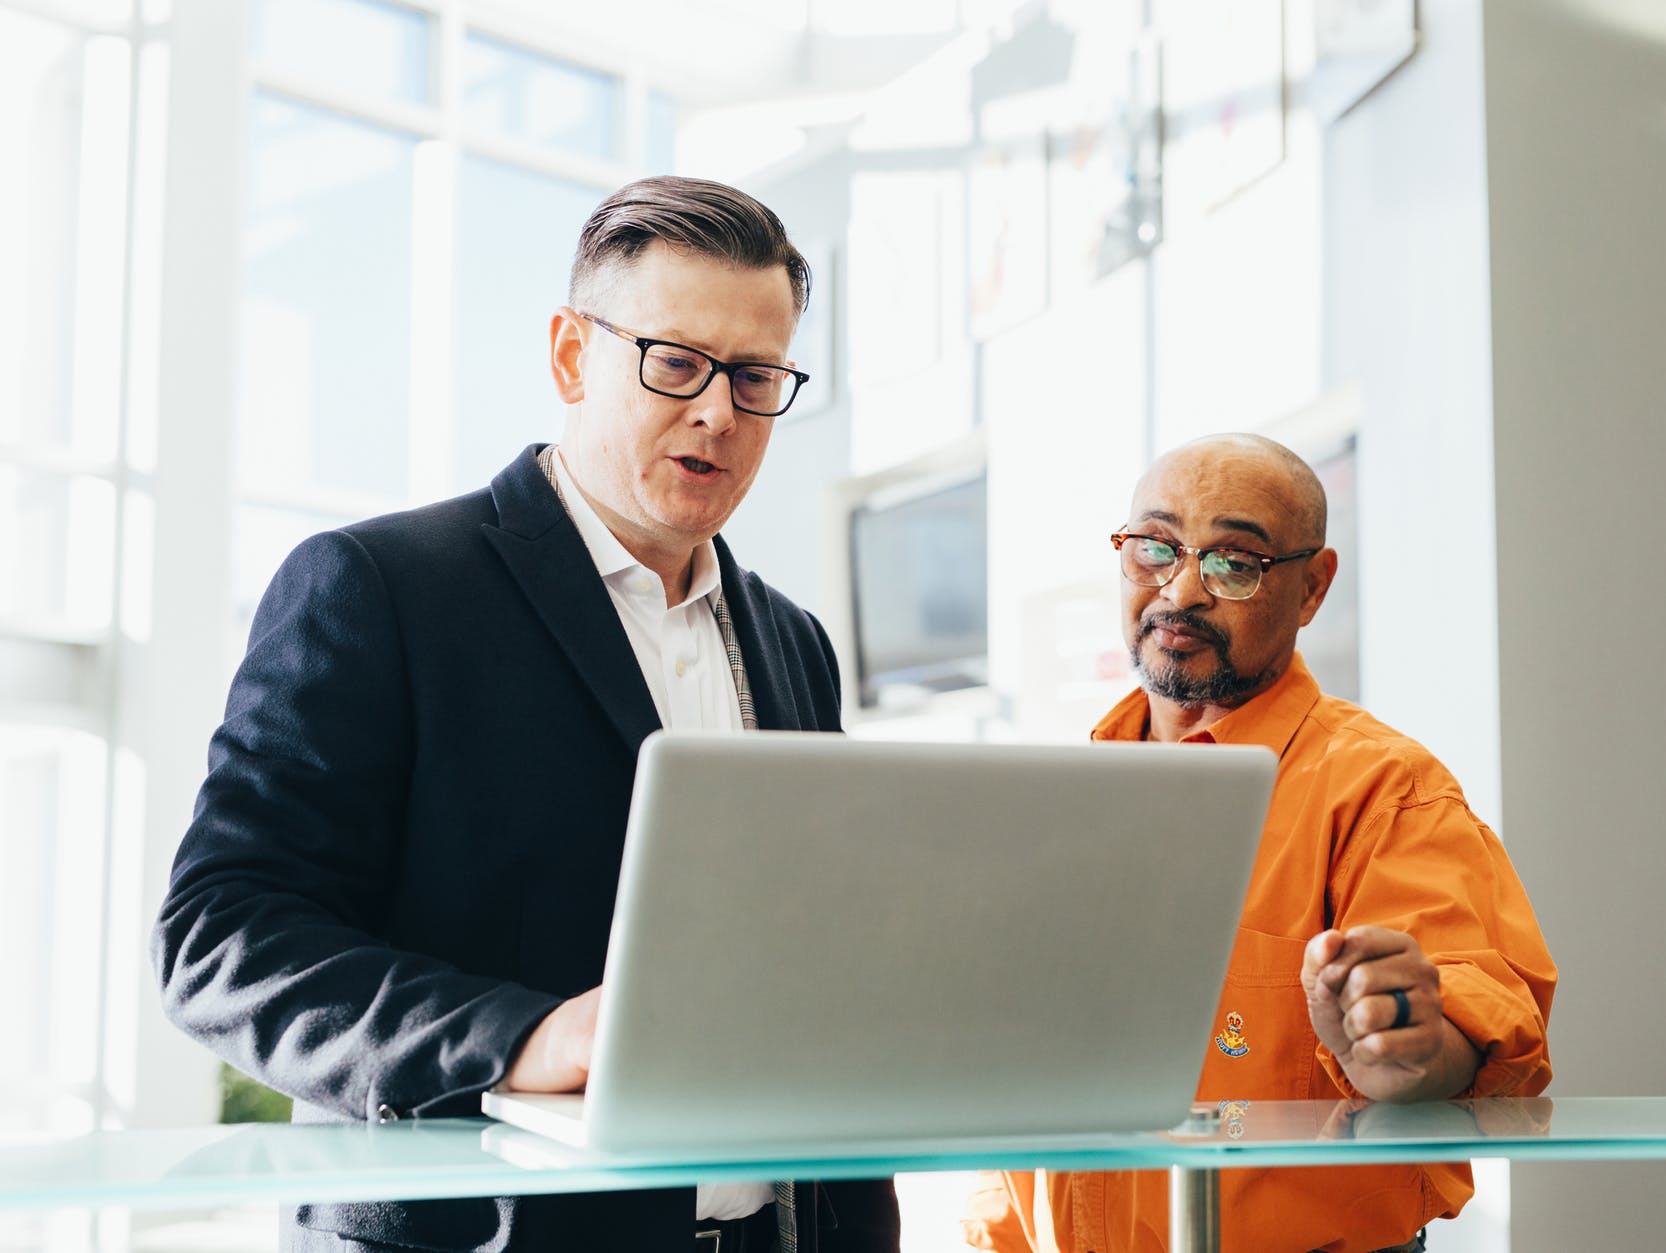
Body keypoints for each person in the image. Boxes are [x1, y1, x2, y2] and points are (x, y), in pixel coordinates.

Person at [152, 176, 900, 1253]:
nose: (716, 414)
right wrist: (526, 1037)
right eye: (674, 362)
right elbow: (221, 938)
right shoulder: (378, 586)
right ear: (569, 356)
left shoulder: (792, 640)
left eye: (754, 375)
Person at [963, 434, 1556, 1253]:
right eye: (1154, 549)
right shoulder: (1066, 796)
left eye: (1234, 562)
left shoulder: (1385, 790)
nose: (1180, 590)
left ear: (1312, 587)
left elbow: (1471, 1026)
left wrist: (1404, 1048)